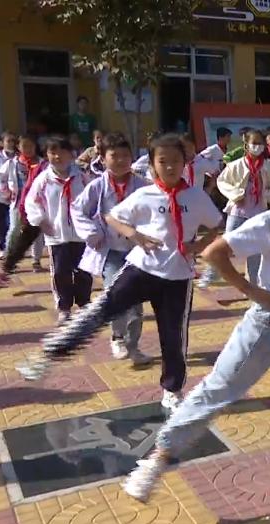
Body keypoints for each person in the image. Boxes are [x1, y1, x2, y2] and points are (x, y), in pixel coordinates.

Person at [121, 144, 270, 507]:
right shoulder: (269, 222)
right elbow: (213, 252)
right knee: (217, 391)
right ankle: (157, 459)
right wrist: (250, 289)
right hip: (264, 327)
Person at [17, 134, 223, 412]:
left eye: (176, 161)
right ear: (152, 164)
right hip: (141, 269)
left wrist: (197, 245)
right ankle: (49, 354)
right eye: (163, 162)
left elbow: (216, 225)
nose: (171, 167)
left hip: (177, 276)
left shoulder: (196, 196)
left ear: (185, 163)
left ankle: (172, 390)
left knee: (173, 337)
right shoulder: (145, 194)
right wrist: (135, 236)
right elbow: (113, 216)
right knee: (102, 309)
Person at [71, 134, 150, 364]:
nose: (121, 160)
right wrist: (90, 233)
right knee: (116, 293)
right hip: (111, 251)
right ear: (103, 159)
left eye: (125, 156)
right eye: (114, 156)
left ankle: (133, 346)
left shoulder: (143, 185)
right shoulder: (97, 186)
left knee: (136, 301)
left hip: (137, 251)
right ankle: (117, 337)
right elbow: (78, 210)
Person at [23, 137, 92, 325]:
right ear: (46, 155)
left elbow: (94, 199)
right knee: (60, 272)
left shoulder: (83, 177)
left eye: (61, 152)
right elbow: (32, 202)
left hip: (81, 235)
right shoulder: (44, 179)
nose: (57, 156)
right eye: (52, 152)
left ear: (71, 154)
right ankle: (64, 307)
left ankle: (84, 303)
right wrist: (40, 220)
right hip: (56, 235)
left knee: (83, 271)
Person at [212, 129, 270, 284]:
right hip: (238, 212)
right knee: (226, 244)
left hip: (258, 213)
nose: (257, 147)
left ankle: (254, 284)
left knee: (255, 251)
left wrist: (265, 194)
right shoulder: (236, 165)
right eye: (254, 143)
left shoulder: (268, 166)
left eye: (260, 144)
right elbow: (222, 182)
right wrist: (236, 194)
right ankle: (213, 272)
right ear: (246, 145)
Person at [0, 133, 48, 280]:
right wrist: (6, 191)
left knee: (37, 233)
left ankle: (36, 260)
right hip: (19, 203)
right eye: (25, 146)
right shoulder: (13, 163)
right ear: (18, 147)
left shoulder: (43, 165)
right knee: (15, 229)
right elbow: (0, 178)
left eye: (31, 146)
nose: (28, 149)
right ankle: (8, 255)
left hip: (38, 205)